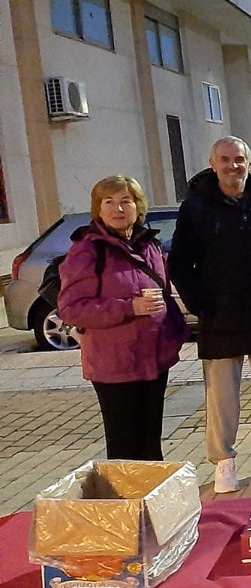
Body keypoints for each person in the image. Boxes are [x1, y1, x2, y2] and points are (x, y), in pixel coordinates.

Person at [168, 136, 251, 493]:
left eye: (239, 159)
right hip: (219, 315)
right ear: (213, 163)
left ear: (250, 162)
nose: (233, 165)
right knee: (222, 396)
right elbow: (179, 263)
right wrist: (200, 304)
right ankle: (223, 462)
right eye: (225, 159)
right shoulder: (196, 205)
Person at [58, 176, 188, 461]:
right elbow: (72, 308)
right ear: (99, 209)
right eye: (110, 202)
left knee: (151, 441)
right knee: (124, 446)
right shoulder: (88, 250)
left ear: (137, 206)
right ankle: (126, 503)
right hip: (115, 365)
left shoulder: (148, 245)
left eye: (125, 201)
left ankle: (152, 500)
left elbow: (164, 294)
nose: (118, 209)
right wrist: (130, 307)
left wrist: (174, 335)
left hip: (153, 360)